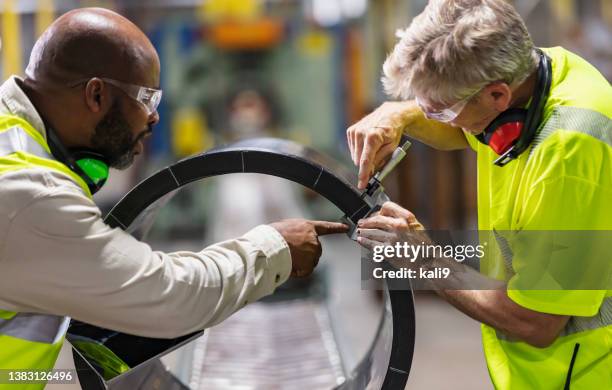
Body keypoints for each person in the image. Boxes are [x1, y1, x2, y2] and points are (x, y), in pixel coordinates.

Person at [0, 7, 347, 385]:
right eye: (146, 98)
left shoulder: (16, 143)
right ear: (96, 94)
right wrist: (275, 247)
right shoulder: (32, 194)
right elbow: (169, 295)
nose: (154, 118)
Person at [347, 0, 611, 389]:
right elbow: (464, 125)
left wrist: (423, 259)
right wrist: (399, 114)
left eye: (438, 111)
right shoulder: (537, 70)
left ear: (498, 97)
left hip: (583, 375)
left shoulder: (569, 152)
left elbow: (536, 320)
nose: (432, 118)